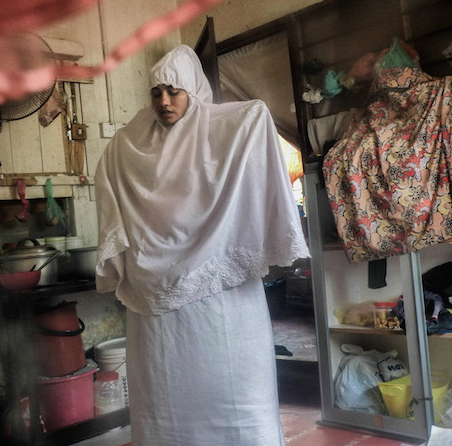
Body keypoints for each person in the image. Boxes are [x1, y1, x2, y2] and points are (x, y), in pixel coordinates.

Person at [94, 45, 309, 445]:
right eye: (155, 92)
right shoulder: (128, 146)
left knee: (233, 399)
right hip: (155, 309)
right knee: (165, 402)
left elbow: (255, 115)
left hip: (222, 304)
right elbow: (109, 179)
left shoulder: (223, 132)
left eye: (174, 91)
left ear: (194, 90)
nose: (163, 101)